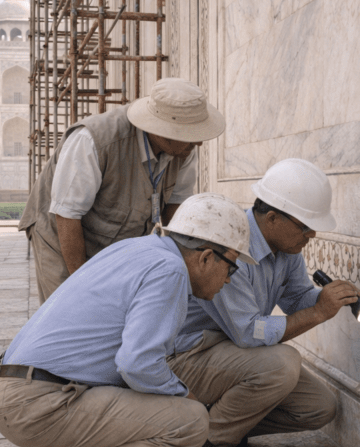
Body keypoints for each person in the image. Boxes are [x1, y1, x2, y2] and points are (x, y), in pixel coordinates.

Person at [0, 193, 256, 447]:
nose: (229, 278)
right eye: (230, 266)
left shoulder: (137, 248)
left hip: (20, 388)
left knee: (155, 396)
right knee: (190, 421)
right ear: (205, 258)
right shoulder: (170, 269)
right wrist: (185, 396)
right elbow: (138, 364)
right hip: (37, 404)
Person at [170, 159, 360, 447]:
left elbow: (297, 299)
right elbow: (248, 333)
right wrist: (317, 313)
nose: (311, 234)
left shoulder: (287, 250)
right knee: (283, 362)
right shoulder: (232, 247)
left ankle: (223, 421)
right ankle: (208, 438)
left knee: (318, 407)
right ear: (272, 218)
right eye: (304, 226)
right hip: (188, 357)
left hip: (230, 355)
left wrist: (326, 299)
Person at [17, 78, 225, 304]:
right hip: (59, 232)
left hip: (116, 235)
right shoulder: (93, 141)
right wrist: (83, 285)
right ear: (163, 132)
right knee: (71, 308)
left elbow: (175, 212)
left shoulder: (183, 149)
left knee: (117, 307)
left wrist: (188, 263)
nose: (199, 144)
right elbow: (67, 216)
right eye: (191, 137)